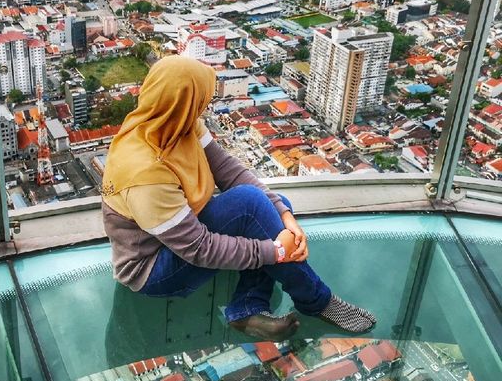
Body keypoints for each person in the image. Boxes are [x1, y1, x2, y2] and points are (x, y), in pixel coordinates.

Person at [101, 56, 376, 341]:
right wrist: (276, 252)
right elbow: (199, 248)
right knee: (252, 207)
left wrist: (284, 215)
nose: (204, 109)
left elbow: (227, 169)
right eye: (201, 101)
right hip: (152, 269)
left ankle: (247, 307)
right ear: (185, 103)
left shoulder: (174, 122)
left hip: (180, 236)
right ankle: (318, 301)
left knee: (271, 205)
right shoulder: (144, 172)